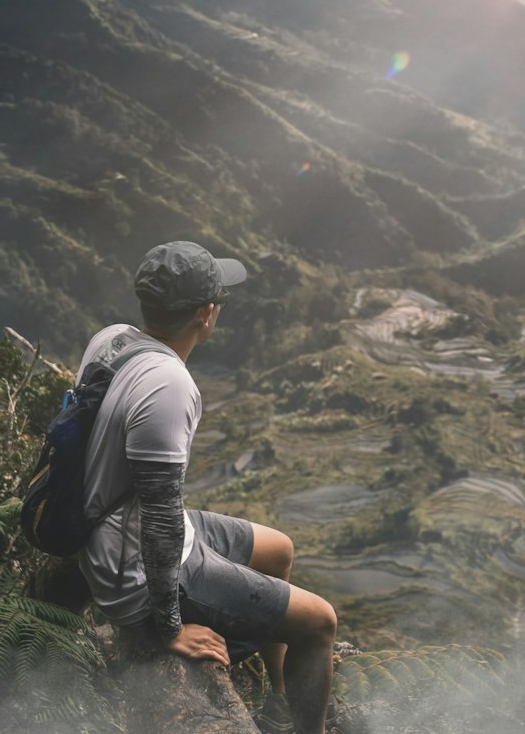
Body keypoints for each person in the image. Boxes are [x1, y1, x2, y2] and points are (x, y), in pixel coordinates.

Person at [77, 240, 336, 734]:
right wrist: (168, 628)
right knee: (320, 621)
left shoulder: (112, 340)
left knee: (279, 550)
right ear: (206, 313)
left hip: (117, 528)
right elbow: (158, 521)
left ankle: (281, 700)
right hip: (136, 564)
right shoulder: (170, 386)